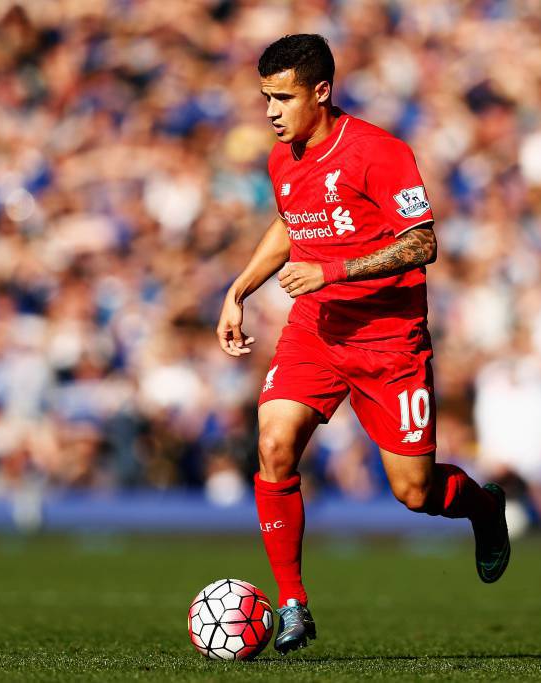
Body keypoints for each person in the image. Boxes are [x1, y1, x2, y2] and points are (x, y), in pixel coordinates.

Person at [216, 34, 510, 655]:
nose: (270, 111)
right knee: (273, 445)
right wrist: (239, 288)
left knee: (415, 492)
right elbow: (290, 224)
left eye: (283, 98)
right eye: (265, 97)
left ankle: (483, 509)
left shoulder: (380, 152)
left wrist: (334, 270)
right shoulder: (283, 158)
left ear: (321, 92)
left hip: (389, 341)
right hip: (316, 330)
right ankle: (293, 605)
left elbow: (422, 242)